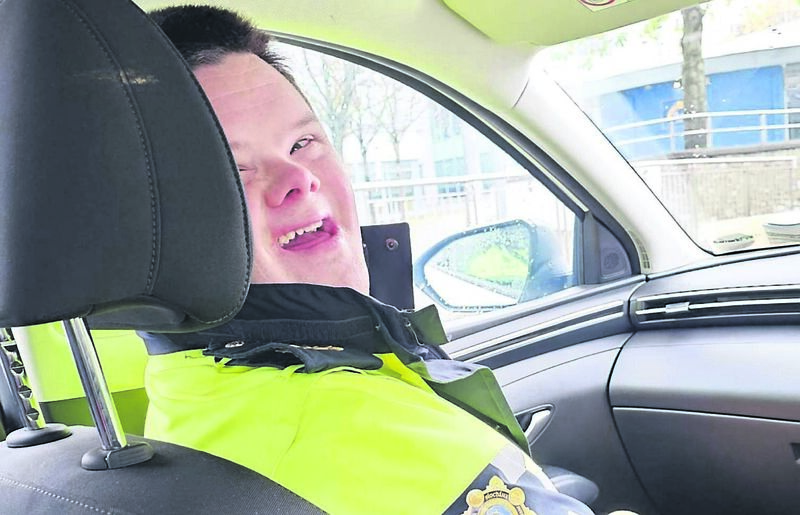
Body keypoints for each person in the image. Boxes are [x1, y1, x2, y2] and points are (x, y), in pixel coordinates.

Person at [142, 6, 593, 515]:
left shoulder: (189, 391)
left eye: (302, 142)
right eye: (233, 168)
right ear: (154, 229)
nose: (298, 177)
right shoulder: (350, 428)